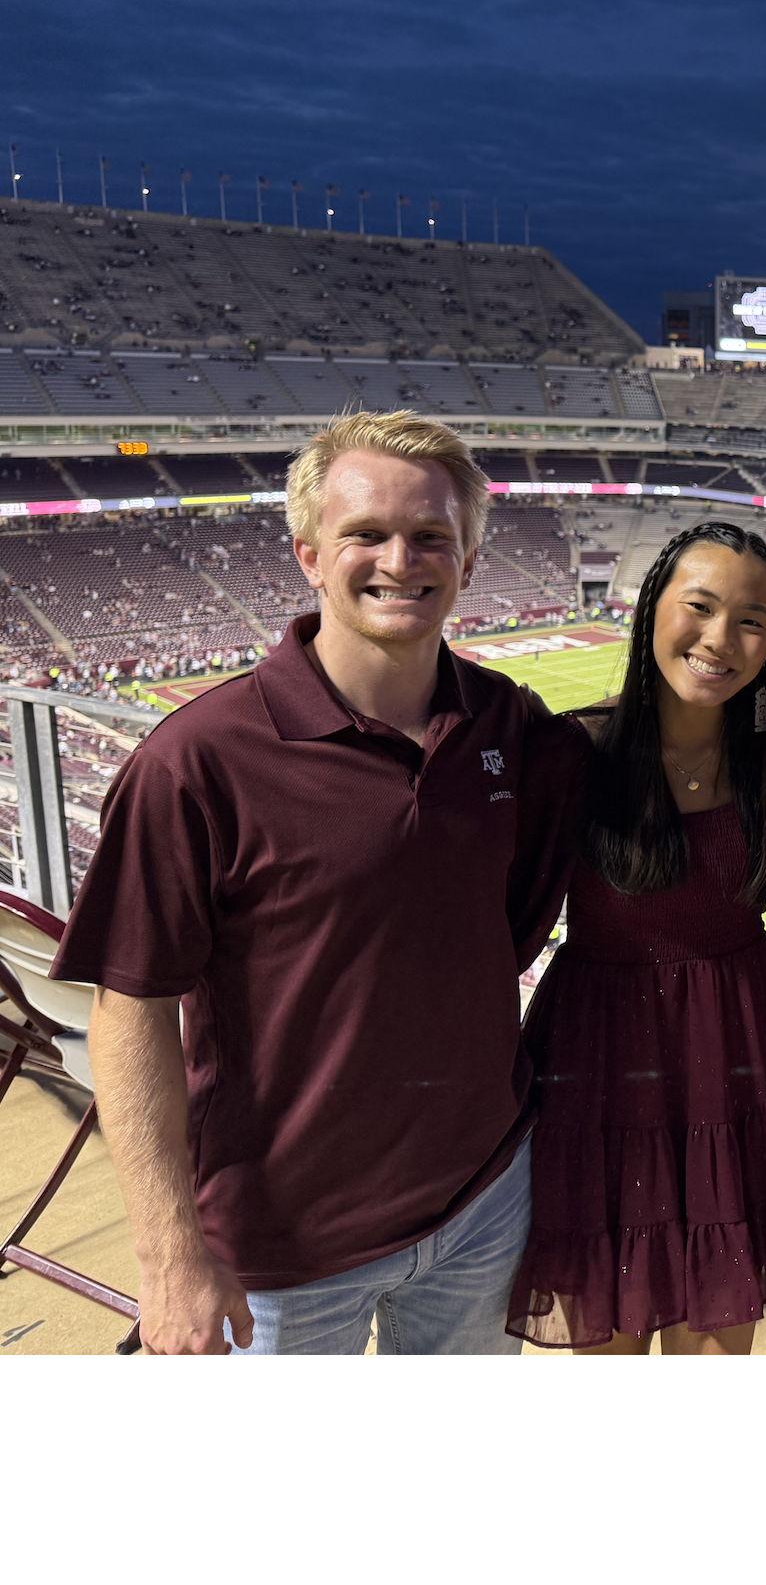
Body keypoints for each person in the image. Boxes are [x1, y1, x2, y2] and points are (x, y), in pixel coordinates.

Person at [50, 411, 586, 1354]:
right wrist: (169, 1251)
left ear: (467, 558)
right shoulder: (197, 761)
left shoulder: (506, 720)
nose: (400, 560)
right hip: (282, 1248)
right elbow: (130, 1008)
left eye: (431, 537)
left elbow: (507, 918)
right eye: (365, 534)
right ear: (306, 554)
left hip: (484, 1201)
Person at [507, 523, 766, 1354]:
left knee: (721, 1340)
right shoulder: (575, 752)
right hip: (601, 1066)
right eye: (701, 607)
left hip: (732, 1063)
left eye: (752, 621)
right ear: (652, 611)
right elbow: (503, 925)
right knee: (607, 1339)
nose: (722, 639)